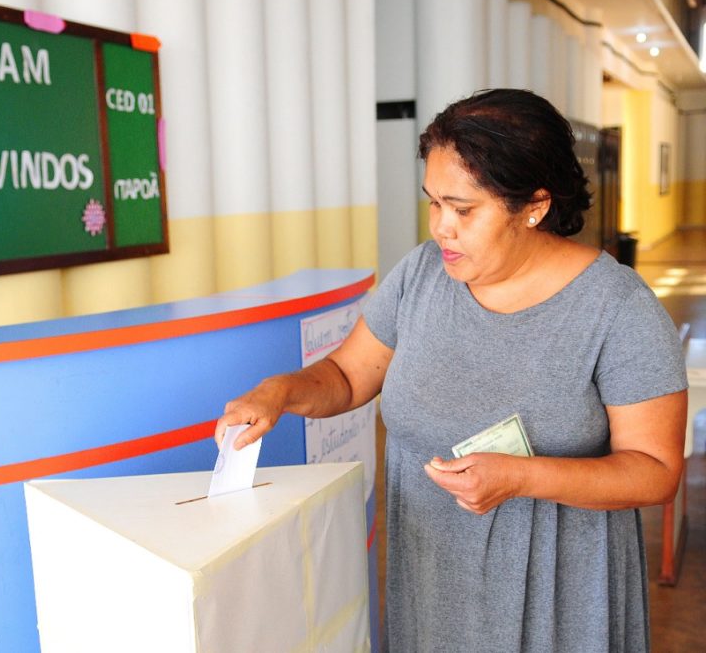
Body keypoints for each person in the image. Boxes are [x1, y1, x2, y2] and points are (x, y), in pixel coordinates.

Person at [215, 89, 688, 652]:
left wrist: (521, 478)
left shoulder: (616, 307)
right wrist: (280, 391)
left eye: (463, 210)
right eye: (433, 203)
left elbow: (655, 471)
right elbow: (348, 375)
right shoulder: (421, 274)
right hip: (432, 584)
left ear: (534, 206)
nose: (441, 227)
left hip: (558, 602)